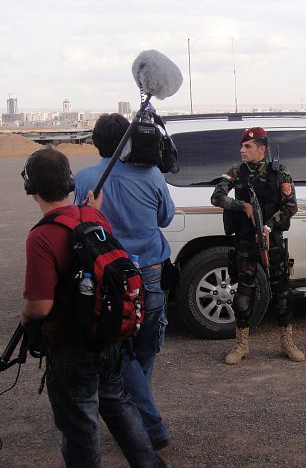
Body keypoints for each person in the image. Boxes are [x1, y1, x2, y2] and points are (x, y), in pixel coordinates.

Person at [20, 147, 164, 467]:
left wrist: (25, 314)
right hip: (108, 335)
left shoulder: (41, 236)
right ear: (69, 182)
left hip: (72, 346)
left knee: (81, 426)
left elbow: (41, 306)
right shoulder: (93, 216)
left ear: (33, 189)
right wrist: (90, 209)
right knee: (120, 406)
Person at [74, 113, 176, 451]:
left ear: (96, 143)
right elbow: (166, 217)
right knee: (144, 347)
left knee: (124, 351)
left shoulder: (87, 178)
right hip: (150, 271)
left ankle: (137, 417)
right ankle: (151, 425)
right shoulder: (151, 176)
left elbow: (80, 224)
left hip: (109, 277)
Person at [210, 127, 304, 364]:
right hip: (245, 241)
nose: (242, 150)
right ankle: (241, 345)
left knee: (282, 292)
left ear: (262, 149)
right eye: (242, 146)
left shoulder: (280, 172)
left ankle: (287, 342)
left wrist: (269, 225)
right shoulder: (235, 171)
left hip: (271, 241)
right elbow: (217, 197)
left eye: (248, 146)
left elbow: (291, 206)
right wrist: (243, 206)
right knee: (243, 295)